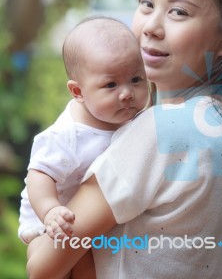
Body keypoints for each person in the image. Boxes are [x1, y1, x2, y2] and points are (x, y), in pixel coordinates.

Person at [27, 0, 222, 279]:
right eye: (147, 3)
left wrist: (35, 232)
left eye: (178, 12)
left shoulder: (165, 129)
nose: (151, 27)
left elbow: (41, 268)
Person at [18, 16, 149, 277]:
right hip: (49, 226)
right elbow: (39, 175)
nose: (126, 93)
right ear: (78, 92)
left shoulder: (132, 118)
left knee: (91, 268)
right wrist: (50, 210)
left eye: (136, 79)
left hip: (91, 223)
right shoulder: (67, 134)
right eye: (111, 85)